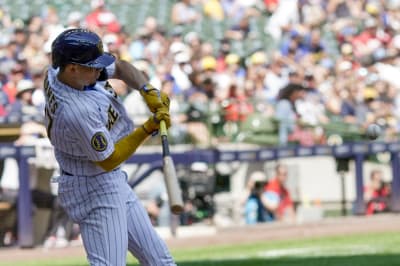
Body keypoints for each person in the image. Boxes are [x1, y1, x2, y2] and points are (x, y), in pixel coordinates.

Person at [45, 28, 175, 265]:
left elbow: (123, 68)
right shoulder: (76, 110)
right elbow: (109, 159)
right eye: (92, 66)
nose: (99, 70)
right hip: (93, 185)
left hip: (105, 179)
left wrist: (148, 90)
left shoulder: (60, 72)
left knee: (161, 261)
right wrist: (148, 128)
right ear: (73, 67)